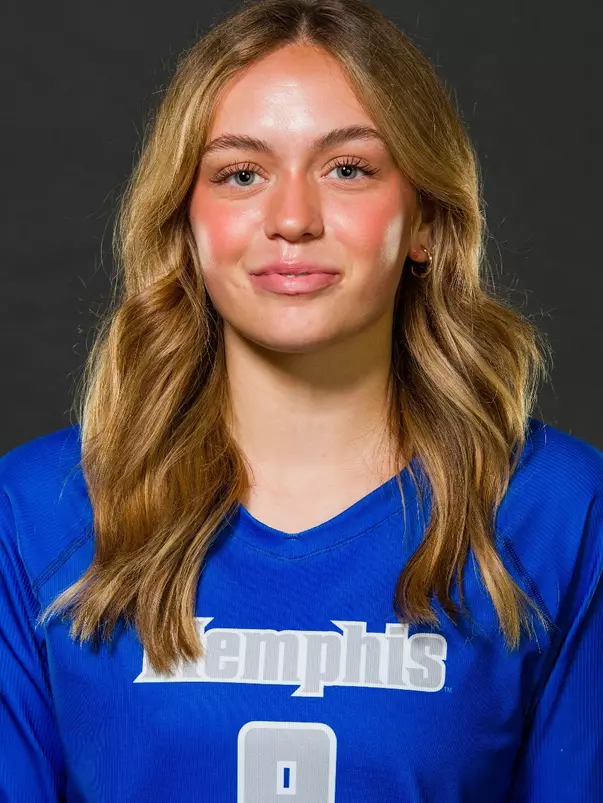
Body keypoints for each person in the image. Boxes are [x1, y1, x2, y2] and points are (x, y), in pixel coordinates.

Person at [1, 0, 602, 800]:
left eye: (348, 168)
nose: (291, 219)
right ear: (187, 221)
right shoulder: (34, 511)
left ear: (424, 219)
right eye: (240, 173)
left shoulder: (562, 510)